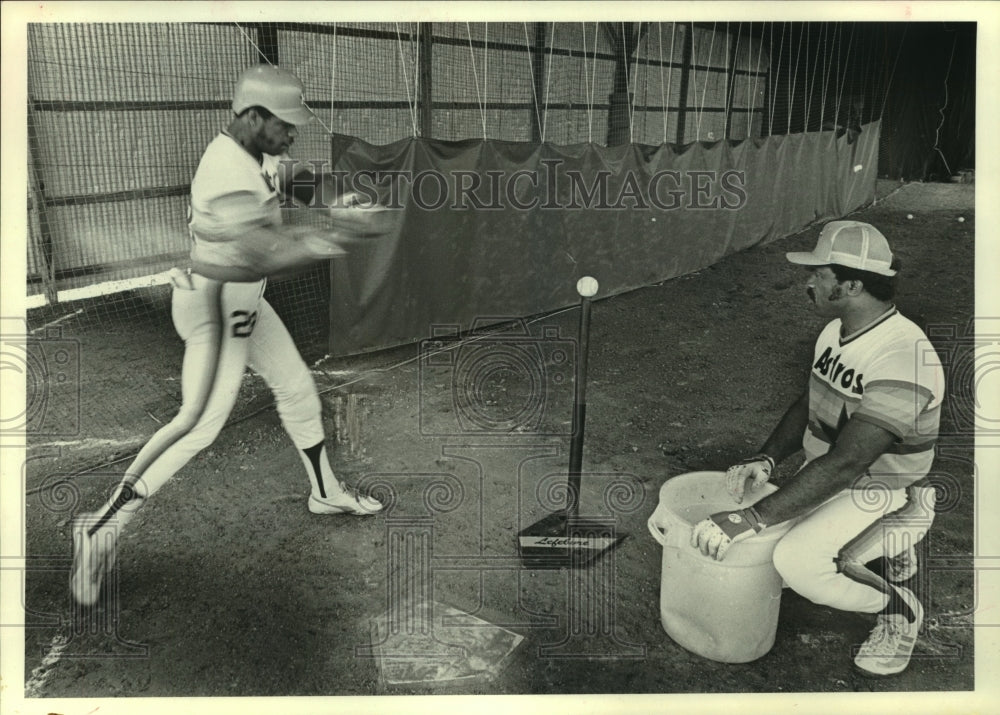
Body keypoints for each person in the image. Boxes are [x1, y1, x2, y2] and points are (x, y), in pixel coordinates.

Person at [70, 65, 385, 607]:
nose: (292, 134)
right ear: (254, 116)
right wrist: (337, 236)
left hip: (243, 299)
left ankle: (325, 492)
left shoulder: (256, 150)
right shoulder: (224, 172)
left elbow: (291, 177)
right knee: (197, 423)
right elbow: (267, 255)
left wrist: (336, 201)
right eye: (285, 125)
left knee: (295, 387)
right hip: (216, 304)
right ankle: (100, 527)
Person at [691, 220, 944, 677]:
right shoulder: (838, 331)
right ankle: (882, 543)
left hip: (883, 488)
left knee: (796, 564)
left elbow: (848, 463)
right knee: (768, 540)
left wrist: (748, 519)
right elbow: (811, 398)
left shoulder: (903, 356)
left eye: (819, 274)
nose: (809, 282)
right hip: (837, 474)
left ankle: (899, 607)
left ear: (851, 284)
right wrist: (766, 457)